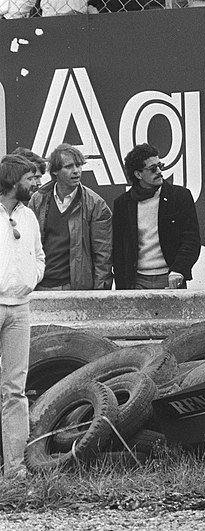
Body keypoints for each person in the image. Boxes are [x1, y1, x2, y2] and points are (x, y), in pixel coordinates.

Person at [0, 154, 45, 479]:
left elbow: (39, 254)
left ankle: (15, 472)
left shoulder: (28, 215)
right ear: (14, 179)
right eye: (30, 178)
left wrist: (32, 276)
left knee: (15, 390)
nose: (36, 183)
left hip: (20, 308)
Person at [112, 143, 201, 290]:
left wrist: (179, 270)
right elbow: (118, 250)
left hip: (171, 278)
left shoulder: (179, 197)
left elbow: (191, 239)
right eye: (153, 169)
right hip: (137, 282)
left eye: (160, 165)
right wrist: (123, 288)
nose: (159, 171)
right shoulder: (123, 204)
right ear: (138, 174)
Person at [28, 144, 113, 290]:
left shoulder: (95, 204)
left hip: (75, 287)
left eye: (78, 165)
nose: (76, 171)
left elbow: (103, 256)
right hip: (40, 285)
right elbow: (29, 246)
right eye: (69, 167)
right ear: (55, 171)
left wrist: (100, 294)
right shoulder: (38, 199)